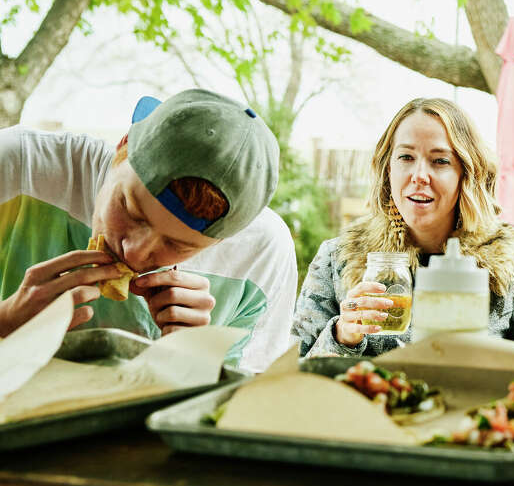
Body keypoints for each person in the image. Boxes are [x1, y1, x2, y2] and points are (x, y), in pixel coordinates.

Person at [0, 89, 296, 372]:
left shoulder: (262, 253)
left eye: (178, 245)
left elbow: (240, 408)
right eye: (130, 210)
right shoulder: (19, 166)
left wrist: (197, 360)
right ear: (123, 146)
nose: (134, 252)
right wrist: (4, 324)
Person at [292, 98, 514, 356]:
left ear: (467, 173)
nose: (419, 175)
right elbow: (291, 379)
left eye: (440, 161)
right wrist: (341, 337)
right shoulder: (337, 260)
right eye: (406, 157)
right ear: (388, 169)